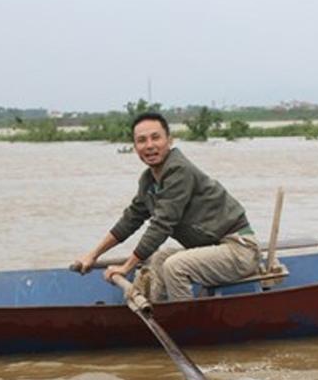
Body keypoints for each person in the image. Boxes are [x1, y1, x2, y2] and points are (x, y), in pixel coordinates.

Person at [73, 111, 260, 301]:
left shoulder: (179, 171)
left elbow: (162, 225)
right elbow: (130, 220)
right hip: (213, 248)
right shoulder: (149, 180)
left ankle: (185, 322)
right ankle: (155, 313)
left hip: (239, 250)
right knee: (159, 259)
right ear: (135, 147)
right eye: (142, 140)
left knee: (175, 265)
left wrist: (126, 267)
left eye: (156, 138)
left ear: (169, 141)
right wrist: (92, 255)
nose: (150, 146)